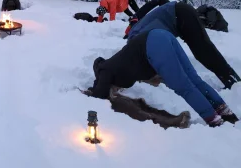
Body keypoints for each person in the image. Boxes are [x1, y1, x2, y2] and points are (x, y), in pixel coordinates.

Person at [87, 29, 239, 127]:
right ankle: (225, 111)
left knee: (184, 87)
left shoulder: (104, 70)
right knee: (194, 79)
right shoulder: (113, 63)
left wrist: (92, 91)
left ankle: (213, 120)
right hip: (161, 35)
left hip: (152, 45)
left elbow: (99, 94)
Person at [127, 0, 240, 89]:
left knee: (204, 52)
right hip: (179, 17)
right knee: (203, 52)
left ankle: (234, 83)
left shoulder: (137, 41)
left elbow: (161, 57)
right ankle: (232, 81)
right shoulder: (136, 39)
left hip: (180, 15)